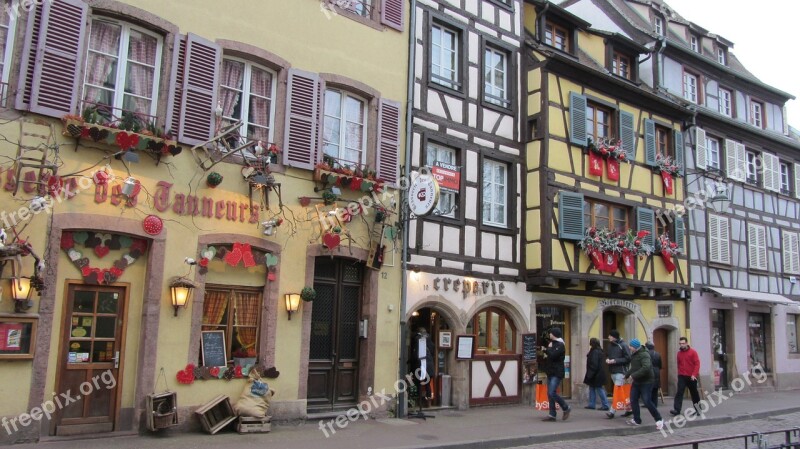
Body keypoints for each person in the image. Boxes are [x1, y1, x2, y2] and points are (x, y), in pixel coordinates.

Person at [624, 339, 664, 430]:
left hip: (647, 381)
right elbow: (634, 368)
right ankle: (637, 419)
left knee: (647, 401)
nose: (629, 348)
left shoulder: (644, 354)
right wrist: (626, 375)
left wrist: (633, 376)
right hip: (637, 381)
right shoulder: (634, 355)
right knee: (633, 399)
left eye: (631, 346)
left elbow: (646, 368)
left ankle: (659, 419)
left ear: (635, 347)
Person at [541, 328, 571, 421]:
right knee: (549, 394)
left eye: (550, 333)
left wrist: (547, 349)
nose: (549, 334)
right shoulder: (553, 344)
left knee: (552, 392)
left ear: (554, 334)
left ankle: (566, 407)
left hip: (557, 372)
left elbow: (553, 355)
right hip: (551, 371)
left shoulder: (560, 345)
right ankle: (552, 414)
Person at [670, 336, 701, 416]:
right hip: (682, 376)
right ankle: (677, 410)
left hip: (691, 376)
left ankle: (698, 410)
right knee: (679, 392)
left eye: (683, 343)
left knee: (694, 394)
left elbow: (697, 364)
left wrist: (694, 374)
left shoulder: (693, 352)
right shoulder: (679, 353)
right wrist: (679, 373)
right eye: (680, 344)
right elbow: (679, 364)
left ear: (687, 343)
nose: (681, 345)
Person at [605, 329, 632, 419]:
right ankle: (629, 409)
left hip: (621, 371)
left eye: (610, 336)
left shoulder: (623, 345)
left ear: (614, 337)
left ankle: (612, 411)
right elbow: (608, 355)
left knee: (617, 391)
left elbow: (628, 358)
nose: (608, 337)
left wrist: (615, 361)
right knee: (622, 392)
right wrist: (608, 359)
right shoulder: (610, 346)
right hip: (612, 371)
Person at [583, 337, 610, 410]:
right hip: (598, 373)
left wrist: (590, 374)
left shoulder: (595, 351)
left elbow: (594, 364)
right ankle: (592, 404)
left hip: (596, 373)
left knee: (598, 389)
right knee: (592, 388)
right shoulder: (598, 350)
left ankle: (605, 405)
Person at [646, 342, 662, 408]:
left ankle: (648, 403)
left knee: (648, 389)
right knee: (655, 389)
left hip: (648, 371)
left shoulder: (646, 354)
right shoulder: (658, 354)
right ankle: (655, 404)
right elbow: (660, 365)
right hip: (656, 371)